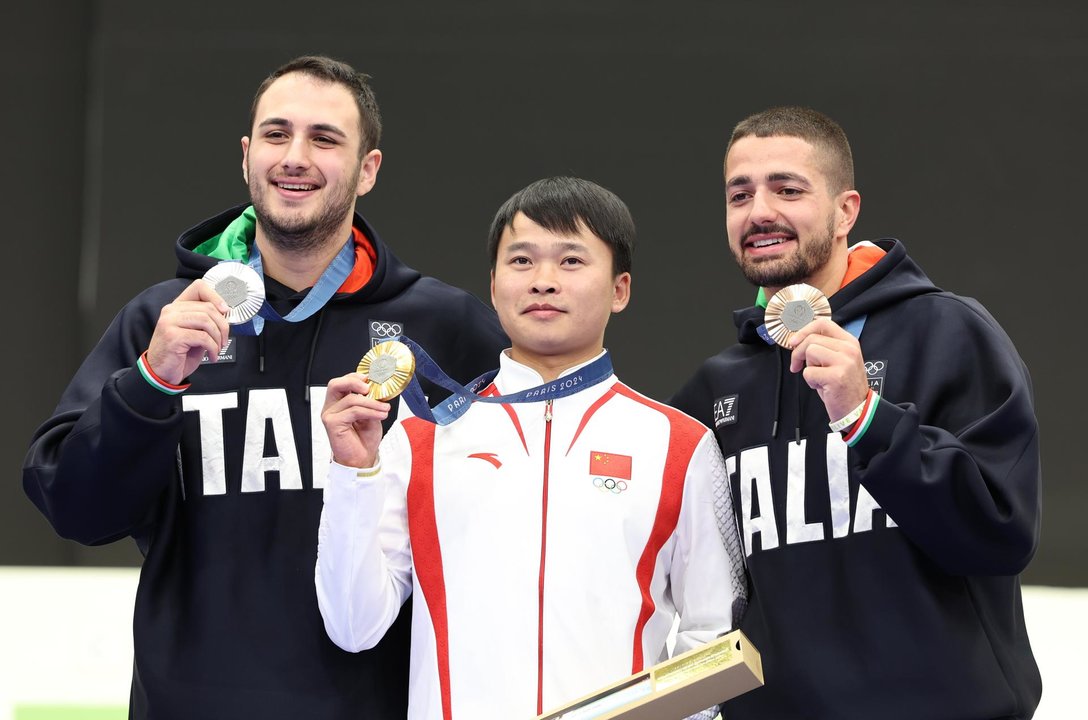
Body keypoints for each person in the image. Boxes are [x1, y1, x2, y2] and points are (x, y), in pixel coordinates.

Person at [23, 55, 506, 720]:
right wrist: (152, 381)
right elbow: (77, 510)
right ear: (247, 156)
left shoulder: (438, 326)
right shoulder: (165, 320)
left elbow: (515, 524)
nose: (295, 157)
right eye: (276, 136)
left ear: (368, 169)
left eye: (325, 138)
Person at [315, 176, 748, 719]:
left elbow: (711, 641)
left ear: (620, 289)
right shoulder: (420, 437)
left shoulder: (680, 445)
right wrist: (353, 476)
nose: (543, 281)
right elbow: (353, 627)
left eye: (571, 261)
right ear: (494, 286)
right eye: (521, 261)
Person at [670, 106, 1042, 718]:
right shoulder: (715, 387)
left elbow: (1001, 532)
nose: (759, 210)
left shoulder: (947, 332)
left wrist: (867, 417)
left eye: (787, 189)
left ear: (846, 210)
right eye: (740, 194)